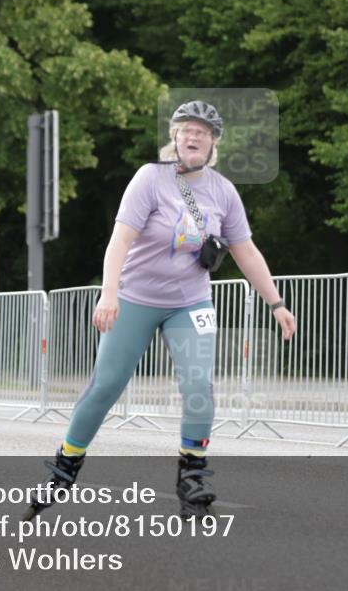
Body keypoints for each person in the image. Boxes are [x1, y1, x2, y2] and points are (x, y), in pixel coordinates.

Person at [23, 100, 296, 520]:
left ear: (213, 144)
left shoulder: (224, 192)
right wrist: (109, 293)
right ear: (174, 137)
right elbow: (121, 240)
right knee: (106, 385)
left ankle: (193, 475)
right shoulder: (150, 179)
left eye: (201, 133)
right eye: (185, 130)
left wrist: (275, 302)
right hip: (135, 298)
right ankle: (64, 466)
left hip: (190, 302)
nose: (192, 137)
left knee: (199, 386)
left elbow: (247, 252)